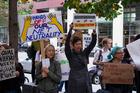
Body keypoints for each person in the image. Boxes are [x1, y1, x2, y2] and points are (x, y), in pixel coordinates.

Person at [65, 24, 97, 93]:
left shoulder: (85, 53)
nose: (79, 46)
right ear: (73, 46)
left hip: (85, 80)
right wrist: (70, 30)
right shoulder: (70, 54)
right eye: (77, 44)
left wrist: (94, 33)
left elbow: (92, 44)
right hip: (75, 82)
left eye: (80, 44)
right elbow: (67, 43)